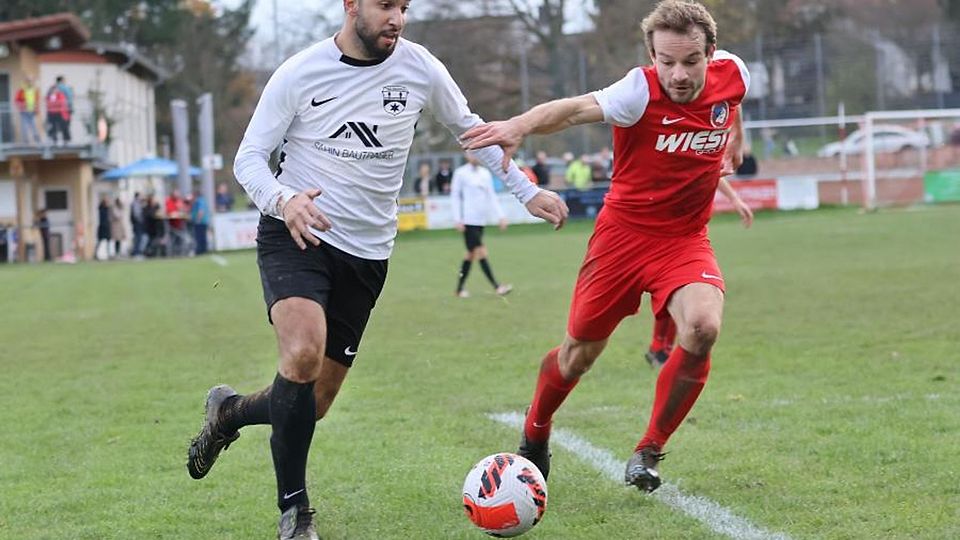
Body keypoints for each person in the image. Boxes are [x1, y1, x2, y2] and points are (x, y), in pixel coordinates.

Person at [184, 2, 568, 539]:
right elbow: (249, 157)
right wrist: (283, 200)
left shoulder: (420, 68)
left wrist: (526, 192)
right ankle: (295, 514)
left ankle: (229, 412)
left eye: (404, 7)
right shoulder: (299, 72)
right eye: (386, 5)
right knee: (301, 353)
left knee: (312, 404)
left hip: (367, 255)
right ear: (351, 5)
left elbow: (472, 131)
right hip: (299, 231)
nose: (397, 18)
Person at [463, 0, 749, 493]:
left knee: (702, 327)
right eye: (666, 61)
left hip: (683, 240)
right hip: (621, 239)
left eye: (690, 61)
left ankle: (650, 449)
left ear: (712, 54)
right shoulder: (637, 91)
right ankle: (535, 430)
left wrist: (734, 142)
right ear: (651, 56)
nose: (678, 74)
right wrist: (518, 126)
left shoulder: (735, 75)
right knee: (578, 355)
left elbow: (733, 102)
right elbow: (573, 110)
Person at [644, 176, 753, 368]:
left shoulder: (700, 154)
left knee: (679, 291)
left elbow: (714, 169)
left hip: (688, 232)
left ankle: (660, 348)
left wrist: (735, 199)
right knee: (671, 290)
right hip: (662, 230)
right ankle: (660, 347)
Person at [451, 152, 513, 298]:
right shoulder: (461, 173)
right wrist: (457, 219)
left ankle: (459, 290)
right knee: (481, 252)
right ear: (466, 155)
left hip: (480, 221)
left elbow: (491, 196)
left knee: (471, 255)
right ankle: (497, 287)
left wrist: (501, 216)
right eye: (472, 154)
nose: (476, 157)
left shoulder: (485, 174)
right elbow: (455, 196)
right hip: (468, 220)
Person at [14, 76, 42, 144]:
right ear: (26, 81)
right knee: (25, 126)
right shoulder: (22, 90)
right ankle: (25, 141)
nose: (30, 82)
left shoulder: (35, 90)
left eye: (31, 81)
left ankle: (37, 139)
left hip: (32, 111)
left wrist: (37, 109)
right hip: (24, 110)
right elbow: (17, 100)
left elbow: (37, 100)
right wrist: (21, 106)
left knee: (33, 125)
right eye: (29, 81)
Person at [45, 81, 71, 146]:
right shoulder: (49, 96)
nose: (54, 90)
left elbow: (62, 103)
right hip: (52, 113)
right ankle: (54, 139)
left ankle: (66, 139)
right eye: (53, 89)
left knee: (64, 126)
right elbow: (48, 103)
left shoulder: (60, 95)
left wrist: (55, 104)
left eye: (55, 89)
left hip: (59, 113)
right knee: (53, 127)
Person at [191, 188, 210, 255]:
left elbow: (200, 211)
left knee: (199, 237)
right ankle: (204, 250)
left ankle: (200, 250)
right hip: (203, 221)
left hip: (200, 222)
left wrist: (198, 220)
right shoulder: (202, 200)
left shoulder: (199, 201)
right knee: (203, 236)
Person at [130, 192, 146, 257]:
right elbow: (136, 215)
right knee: (138, 238)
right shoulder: (135, 203)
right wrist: (141, 220)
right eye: (140, 196)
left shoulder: (138, 203)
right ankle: (136, 253)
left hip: (138, 223)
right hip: (137, 224)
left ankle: (137, 252)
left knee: (139, 237)